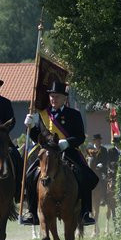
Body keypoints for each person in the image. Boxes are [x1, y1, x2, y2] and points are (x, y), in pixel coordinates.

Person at [20, 79, 99, 226]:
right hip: (47, 153)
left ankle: (85, 212)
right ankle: (32, 213)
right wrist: (29, 126)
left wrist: (67, 142)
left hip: (67, 151)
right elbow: (37, 136)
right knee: (30, 176)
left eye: (56, 96)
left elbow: (80, 136)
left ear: (64, 98)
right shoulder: (43, 115)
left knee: (84, 175)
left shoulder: (74, 114)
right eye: (51, 96)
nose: (53, 99)